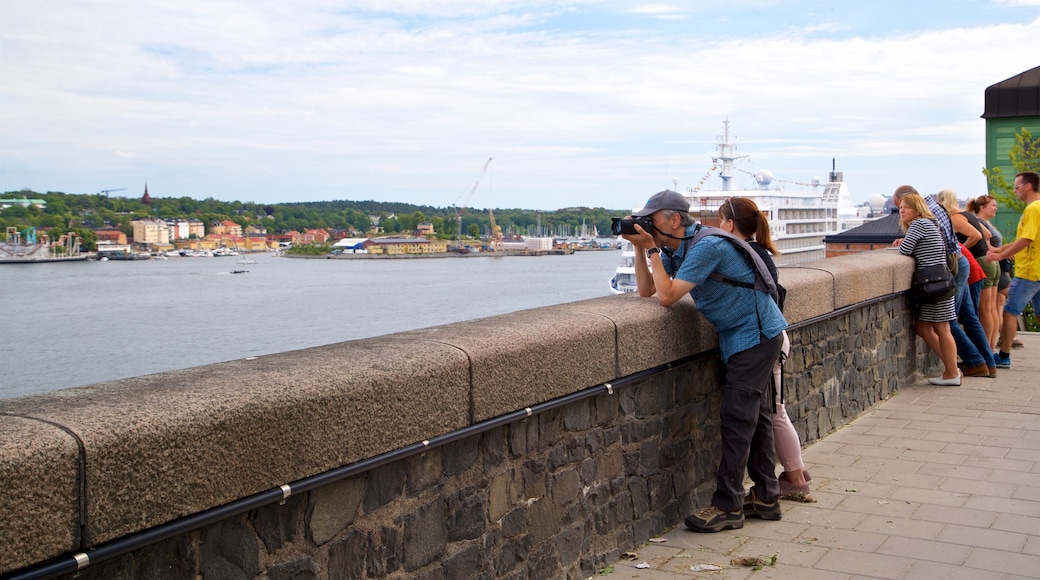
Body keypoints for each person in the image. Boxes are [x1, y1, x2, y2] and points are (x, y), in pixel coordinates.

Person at [621, 190, 787, 533]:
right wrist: (641, 246)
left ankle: (728, 506)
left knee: (737, 418)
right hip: (744, 337)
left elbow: (667, 297)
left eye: (652, 219)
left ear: (675, 220)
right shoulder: (680, 248)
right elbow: (646, 289)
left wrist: (651, 247)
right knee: (754, 417)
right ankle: (767, 496)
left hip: (755, 336)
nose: (647, 224)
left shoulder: (707, 246)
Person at [718, 197, 810, 496]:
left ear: (731, 224)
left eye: (721, 221)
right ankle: (788, 479)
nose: (718, 227)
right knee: (772, 410)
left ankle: (796, 479)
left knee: (775, 412)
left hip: (763, 337)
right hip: (773, 335)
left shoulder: (743, 254)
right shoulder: (760, 252)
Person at [896, 192, 960, 385]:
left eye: (905, 207)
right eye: (900, 208)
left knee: (942, 328)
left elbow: (905, 250)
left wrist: (904, 241)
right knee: (924, 327)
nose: (902, 211)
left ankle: (952, 374)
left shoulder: (918, 224)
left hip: (933, 285)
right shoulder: (931, 223)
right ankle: (952, 369)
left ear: (917, 209)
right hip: (940, 283)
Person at [936, 189, 997, 377]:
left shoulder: (954, 218)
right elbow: (985, 233)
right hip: (978, 266)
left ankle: (976, 361)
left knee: (951, 318)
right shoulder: (967, 215)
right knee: (974, 315)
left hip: (973, 266)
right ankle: (989, 362)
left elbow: (978, 236)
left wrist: (958, 248)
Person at [986, 171, 1040, 369]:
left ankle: (1004, 356)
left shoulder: (1033, 209)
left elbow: (1027, 240)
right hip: (1038, 270)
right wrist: (1000, 249)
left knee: (1009, 311)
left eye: (1016, 187)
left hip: (1030, 271)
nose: (1014, 191)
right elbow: (1024, 238)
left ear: (1028, 186)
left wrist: (999, 256)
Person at [967, 194, 1002, 350]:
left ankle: (986, 348)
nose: (996, 208)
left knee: (985, 309)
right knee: (992, 308)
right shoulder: (982, 222)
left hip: (985, 261)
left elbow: (985, 238)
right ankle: (991, 346)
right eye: (993, 205)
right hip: (995, 264)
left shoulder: (976, 221)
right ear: (982, 207)